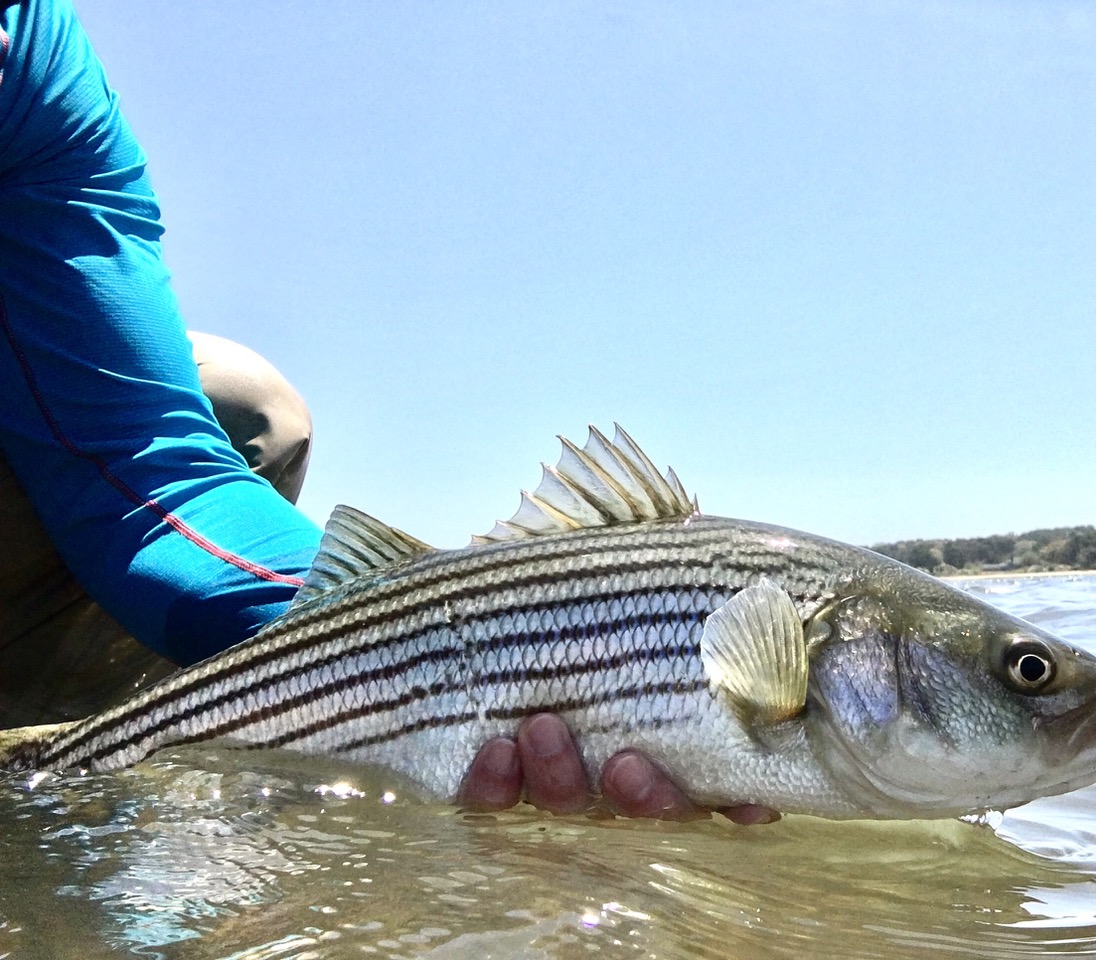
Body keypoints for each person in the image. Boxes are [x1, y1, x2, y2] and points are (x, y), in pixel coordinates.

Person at [0, 0, 773, 824]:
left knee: (249, 408)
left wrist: (424, 638)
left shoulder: (31, 54)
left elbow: (138, 456)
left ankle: (73, 764)